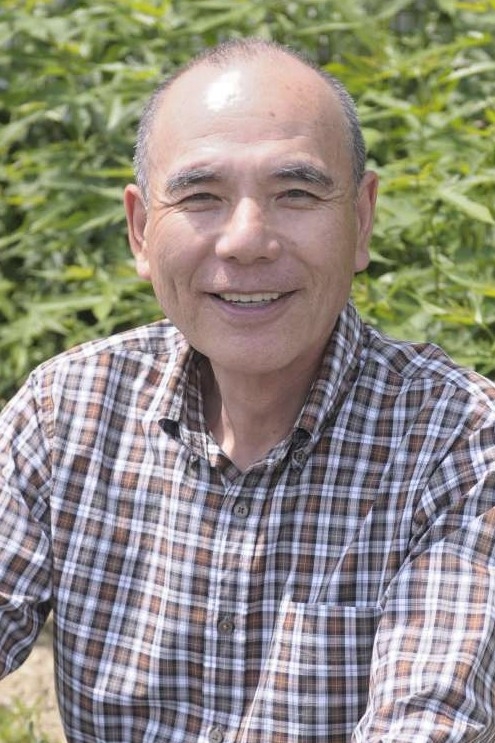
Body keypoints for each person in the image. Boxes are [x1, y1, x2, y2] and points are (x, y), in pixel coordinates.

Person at [1, 37, 495, 743]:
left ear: (361, 219)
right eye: (200, 196)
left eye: (296, 193)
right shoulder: (68, 410)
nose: (246, 240)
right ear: (140, 230)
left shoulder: (459, 440)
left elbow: (428, 721)